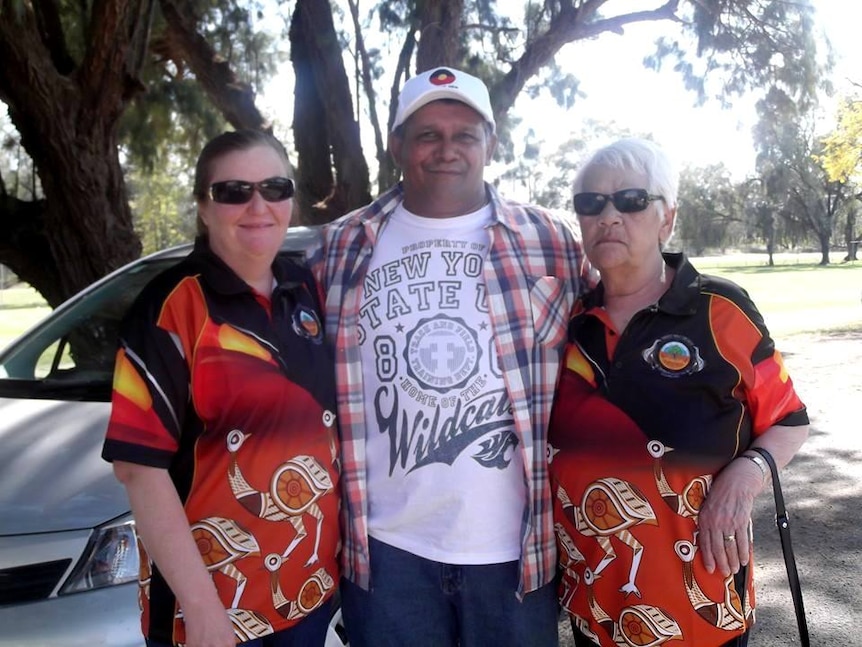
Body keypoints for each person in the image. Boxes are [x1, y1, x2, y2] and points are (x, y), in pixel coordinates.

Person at [313, 67, 591, 646]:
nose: (447, 150)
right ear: (396, 146)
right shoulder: (339, 248)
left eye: (464, 134)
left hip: (515, 551)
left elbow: (617, 339)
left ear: (490, 143)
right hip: (386, 553)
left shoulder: (551, 241)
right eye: (427, 134)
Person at [548, 137, 809, 647]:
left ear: (667, 218)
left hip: (700, 607)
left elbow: (789, 420)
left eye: (631, 200)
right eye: (590, 203)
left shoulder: (720, 310)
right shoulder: (565, 324)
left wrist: (745, 475)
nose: (609, 216)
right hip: (596, 607)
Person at [102, 130, 340, 647]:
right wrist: (204, 613)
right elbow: (139, 471)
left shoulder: (308, 290)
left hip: (308, 597)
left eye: (275, 188)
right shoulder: (169, 308)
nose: (259, 206)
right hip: (214, 615)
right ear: (204, 208)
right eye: (234, 191)